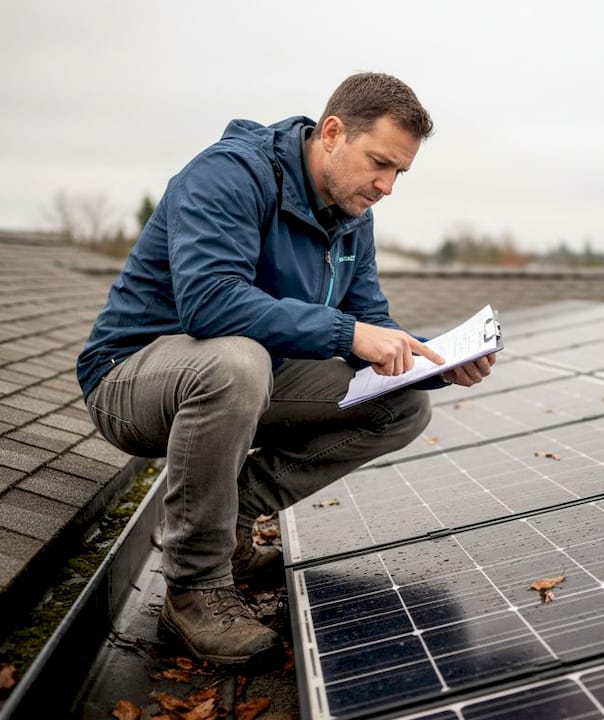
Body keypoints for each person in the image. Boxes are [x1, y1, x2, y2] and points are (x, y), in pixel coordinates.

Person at [76, 72, 495, 664]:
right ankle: (194, 587)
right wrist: (348, 332)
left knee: (401, 401)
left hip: (250, 378)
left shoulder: (352, 214)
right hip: (132, 378)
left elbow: (370, 322)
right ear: (331, 133)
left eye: (400, 172)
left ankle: (233, 522)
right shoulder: (229, 174)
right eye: (379, 163)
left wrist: (436, 360)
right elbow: (210, 300)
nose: (387, 186)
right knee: (236, 361)